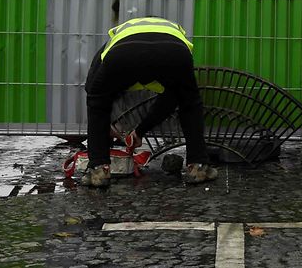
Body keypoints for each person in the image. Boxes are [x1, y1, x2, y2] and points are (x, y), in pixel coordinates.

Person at [79, 16, 218, 188]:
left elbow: (93, 91)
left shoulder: (116, 37)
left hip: (123, 53)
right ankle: (198, 168)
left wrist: (103, 126)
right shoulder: (173, 29)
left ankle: (98, 171)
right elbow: (169, 102)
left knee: (97, 103)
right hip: (174, 51)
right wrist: (140, 131)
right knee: (189, 103)